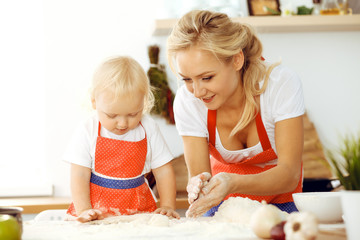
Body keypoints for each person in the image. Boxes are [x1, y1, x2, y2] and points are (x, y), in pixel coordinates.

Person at [167, 10, 305, 217]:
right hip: (222, 206)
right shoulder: (187, 101)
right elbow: (200, 178)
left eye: (207, 78)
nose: (196, 92)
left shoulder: (279, 84)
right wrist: (197, 186)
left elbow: (290, 174)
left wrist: (232, 182)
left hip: (282, 202)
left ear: (236, 60)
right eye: (186, 79)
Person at [63, 56, 180, 222]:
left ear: (143, 102)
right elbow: (79, 174)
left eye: (133, 114)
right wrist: (84, 210)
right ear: (94, 102)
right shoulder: (88, 129)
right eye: (112, 115)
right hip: (96, 210)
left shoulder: (149, 127)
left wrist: (168, 205)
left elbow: (163, 171)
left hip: (139, 210)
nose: (123, 123)